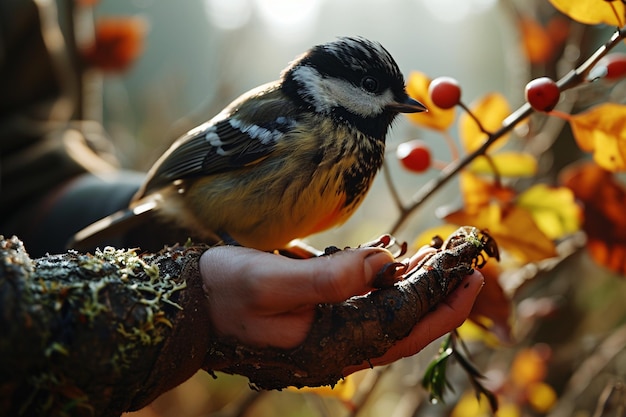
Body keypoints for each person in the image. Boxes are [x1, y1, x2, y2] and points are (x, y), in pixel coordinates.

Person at [0, 0, 484, 414]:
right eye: (370, 86)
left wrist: (302, 262)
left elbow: (24, 163)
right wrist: (203, 292)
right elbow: (193, 161)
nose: (390, 103)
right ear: (326, 83)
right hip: (197, 203)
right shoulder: (289, 117)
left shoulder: (363, 146)